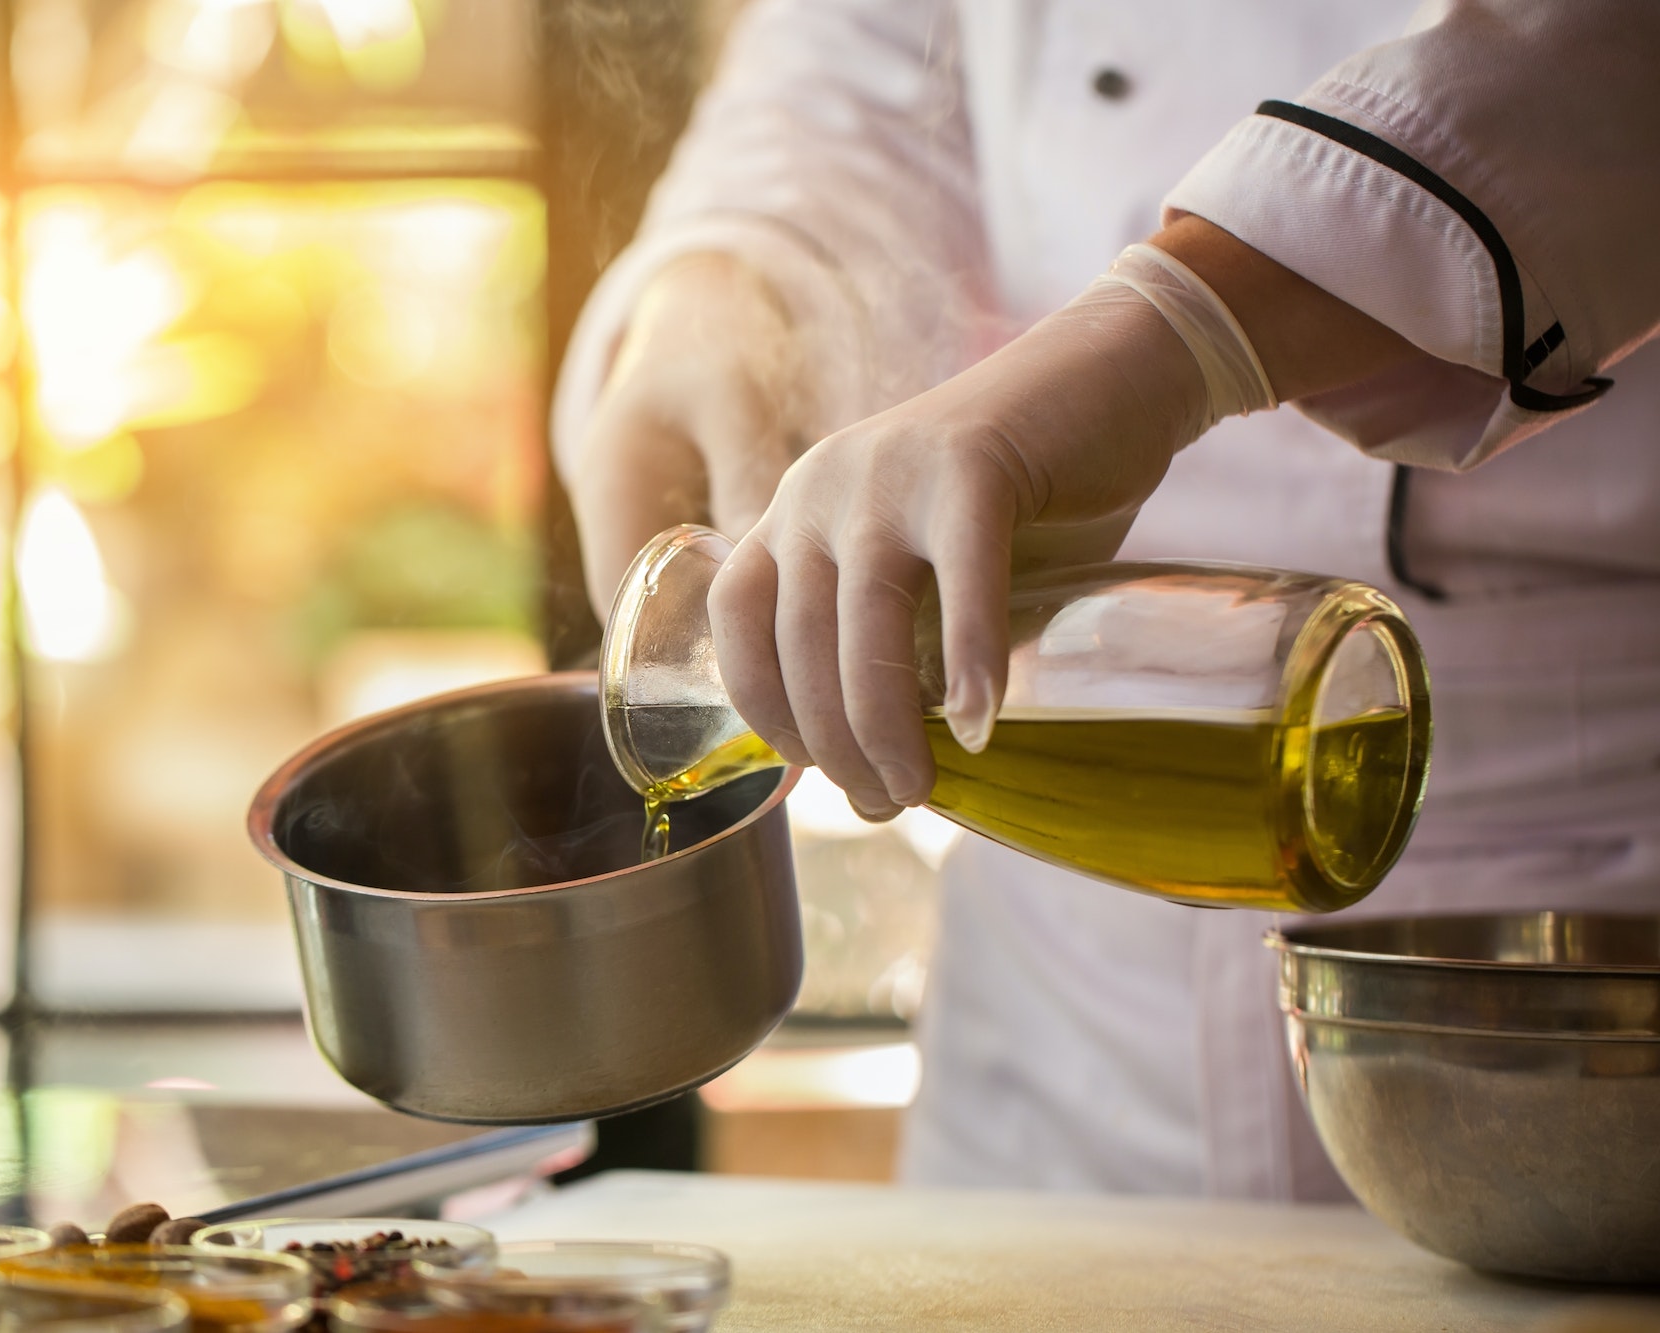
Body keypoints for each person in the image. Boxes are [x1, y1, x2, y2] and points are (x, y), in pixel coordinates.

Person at [552, 0, 1660, 1199]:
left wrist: (1185, 330)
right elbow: (854, 73)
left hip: (1561, 944)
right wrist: (726, 286)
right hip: (1054, 1004)